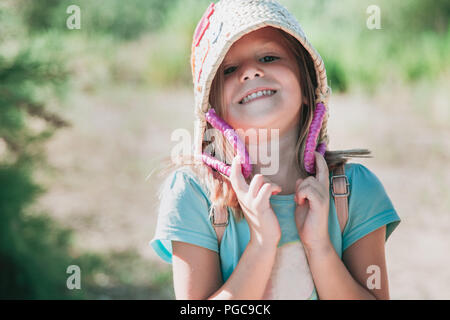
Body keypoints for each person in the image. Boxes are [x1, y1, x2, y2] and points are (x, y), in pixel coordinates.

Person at [150, 0, 400, 300]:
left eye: (269, 57)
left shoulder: (354, 189)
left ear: (307, 88)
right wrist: (262, 243)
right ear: (213, 112)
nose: (251, 71)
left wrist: (320, 246)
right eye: (229, 69)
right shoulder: (194, 194)